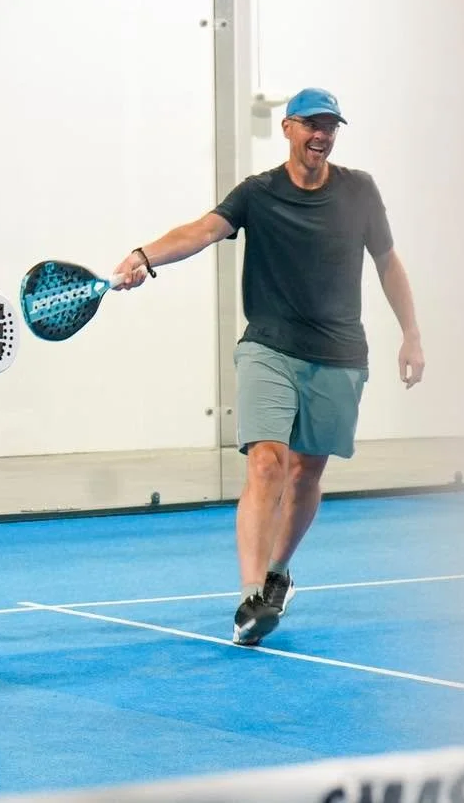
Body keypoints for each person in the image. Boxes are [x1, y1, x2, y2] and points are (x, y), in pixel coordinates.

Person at [113, 87, 423, 646]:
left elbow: (387, 262)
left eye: (330, 125)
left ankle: (278, 572)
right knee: (266, 463)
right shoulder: (259, 194)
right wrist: (143, 257)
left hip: (339, 353)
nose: (321, 134)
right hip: (269, 348)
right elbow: (201, 231)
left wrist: (412, 334)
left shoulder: (360, 192)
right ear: (288, 128)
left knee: (307, 474)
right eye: (311, 124)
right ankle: (252, 595)